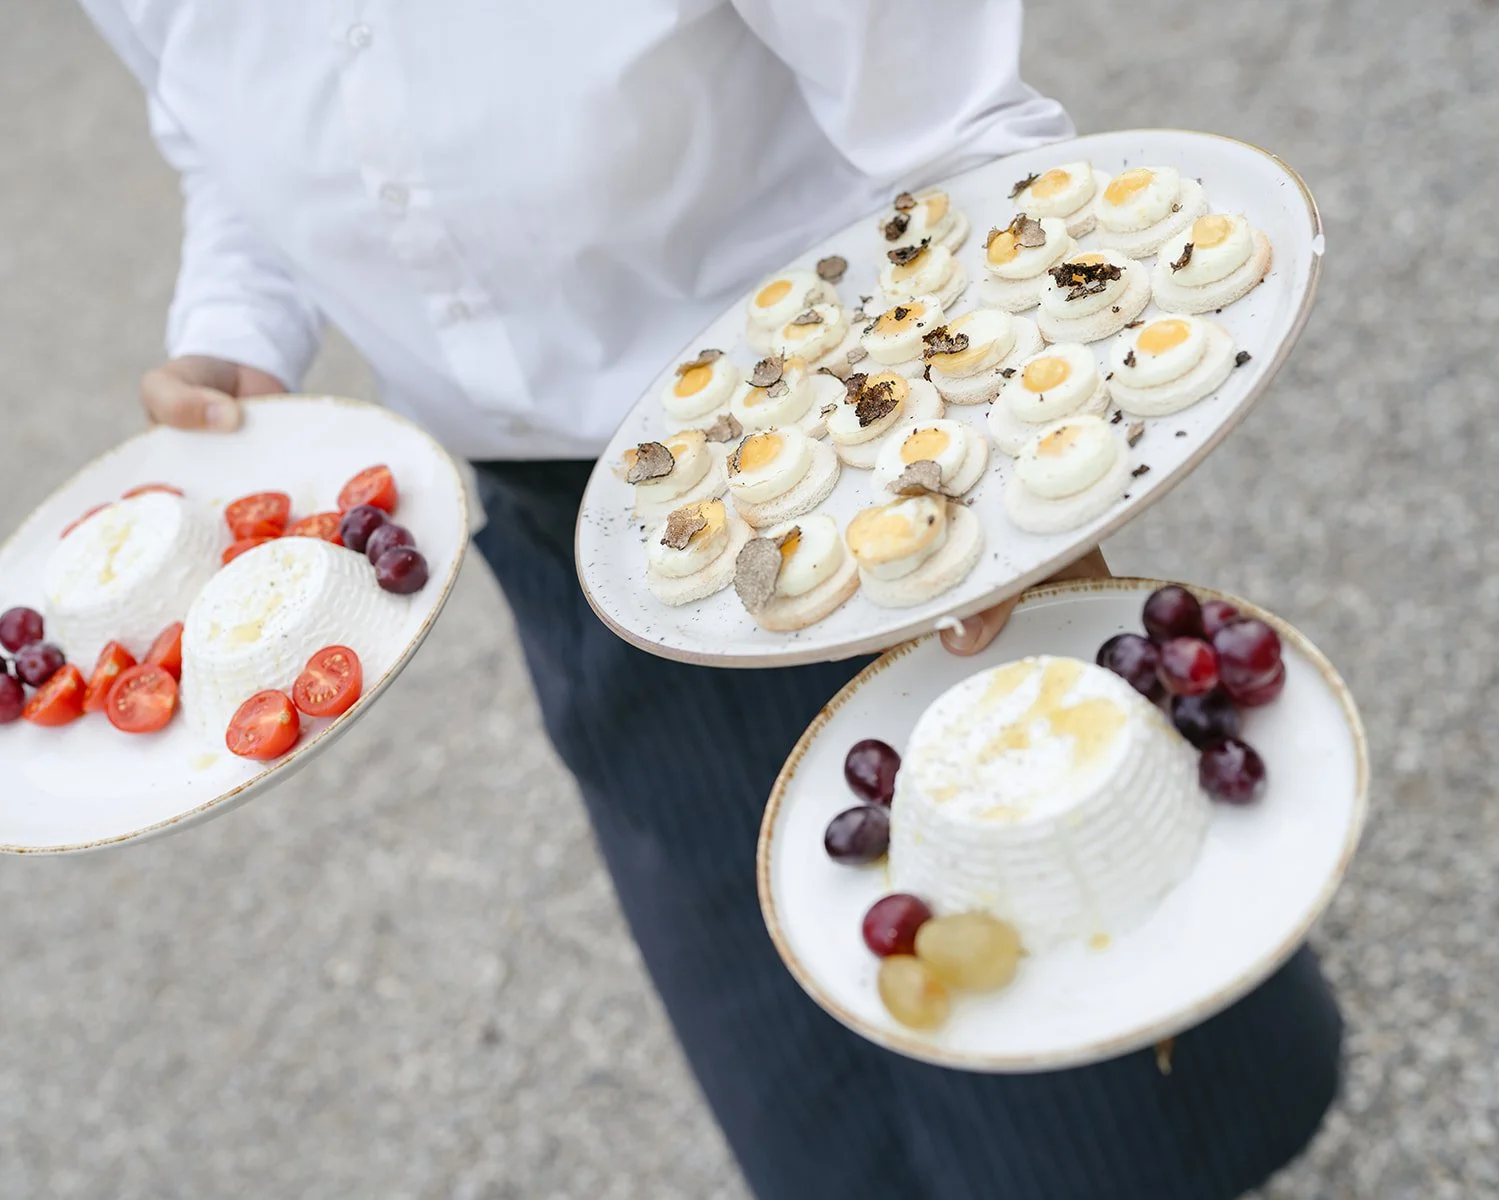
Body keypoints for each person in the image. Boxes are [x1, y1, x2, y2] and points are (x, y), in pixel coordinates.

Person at [78, 3, 1343, 1196]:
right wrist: (234, 334)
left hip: (884, 479)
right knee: (812, 1105)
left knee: (1086, 1060)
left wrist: (1016, 506)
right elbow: (217, 150)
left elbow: (970, 143)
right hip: (567, 563)